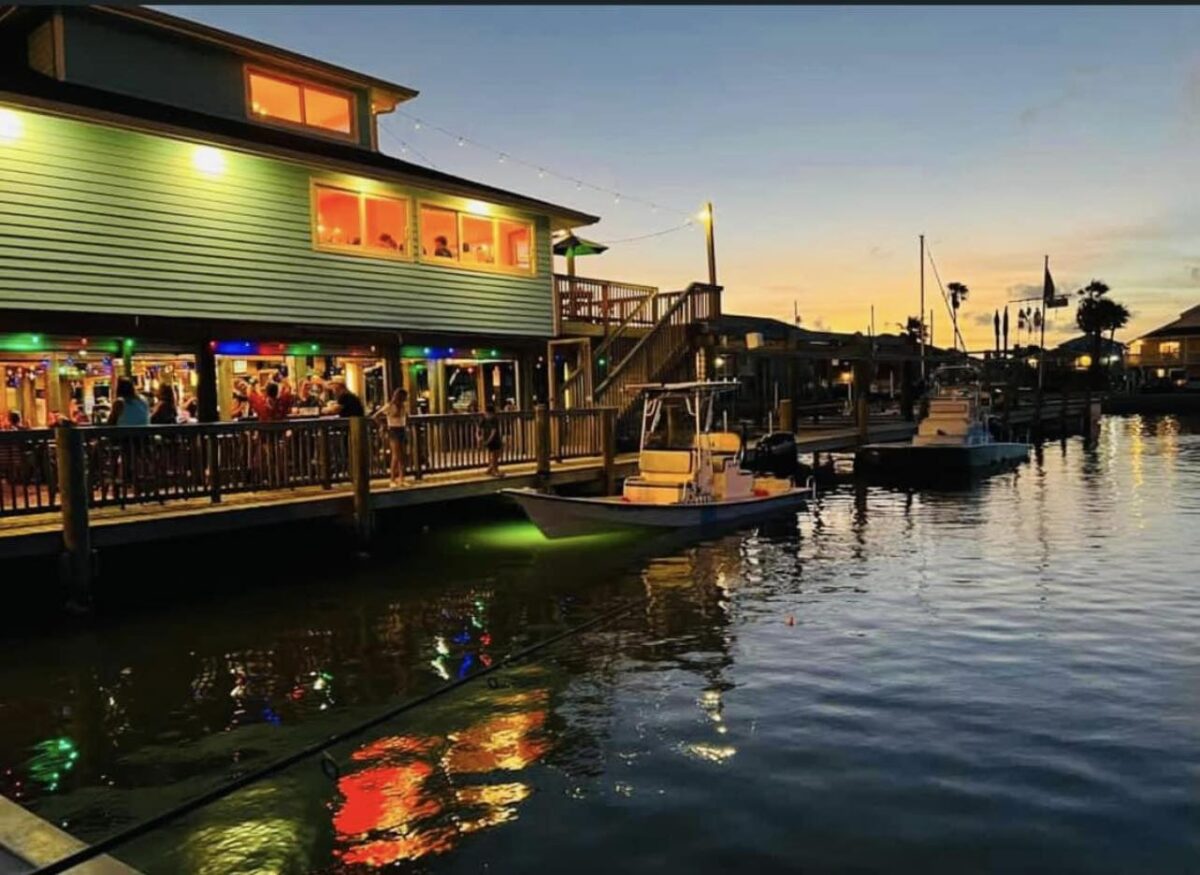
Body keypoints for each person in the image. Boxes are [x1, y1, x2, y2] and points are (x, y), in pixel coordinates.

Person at [375, 388, 410, 486]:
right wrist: (383, 425)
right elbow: (376, 416)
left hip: (402, 429)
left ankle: (402, 478)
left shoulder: (403, 406)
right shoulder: (390, 406)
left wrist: (406, 423)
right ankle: (392, 479)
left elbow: (406, 417)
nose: (406, 399)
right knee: (395, 455)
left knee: (402, 455)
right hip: (393, 430)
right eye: (404, 397)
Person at [479, 403, 503, 477]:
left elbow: (479, 428)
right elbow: (494, 431)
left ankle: (490, 469)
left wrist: (480, 438)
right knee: (495, 455)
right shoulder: (494, 418)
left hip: (488, 438)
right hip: (494, 439)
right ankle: (495, 471)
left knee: (494, 454)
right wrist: (488, 440)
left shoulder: (484, 418)